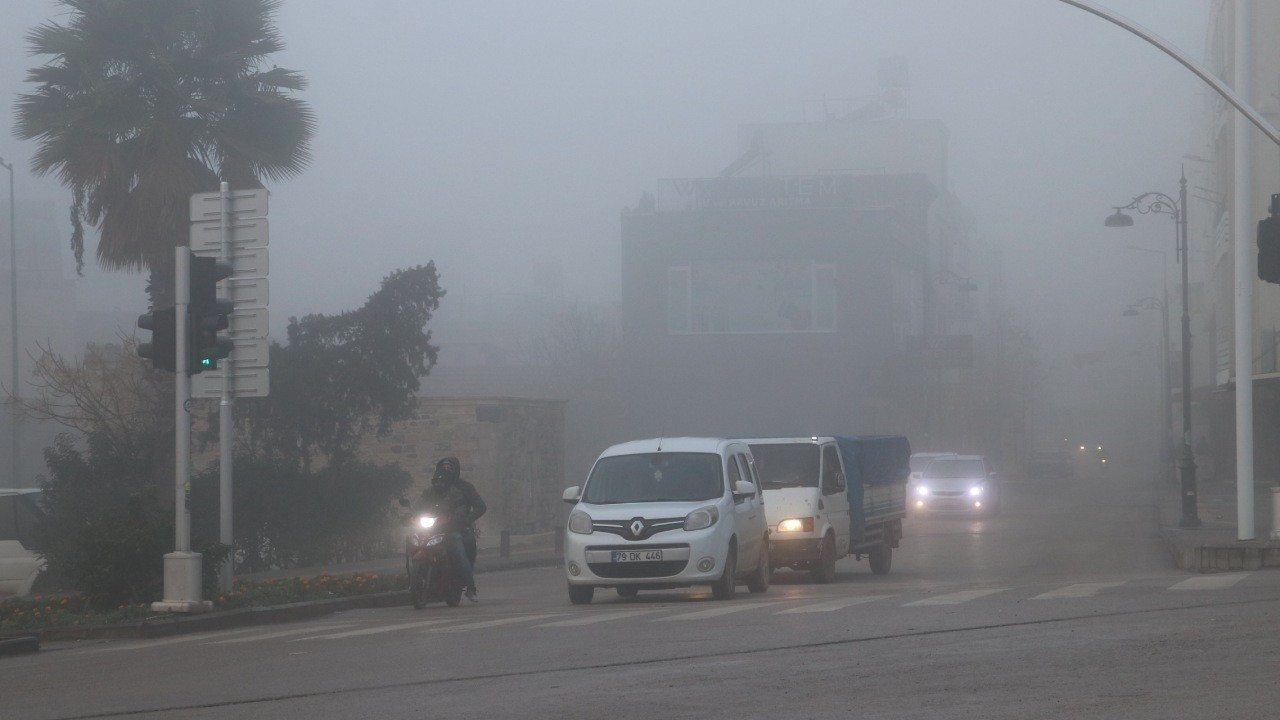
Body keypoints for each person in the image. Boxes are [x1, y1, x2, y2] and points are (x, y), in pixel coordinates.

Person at [417, 456, 486, 602]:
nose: (446, 471)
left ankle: (469, 586)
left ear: (456, 470)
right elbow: (420, 504)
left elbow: (479, 507)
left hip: (456, 528)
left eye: (449, 468)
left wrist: (464, 520)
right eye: (443, 468)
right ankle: (416, 581)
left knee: (459, 548)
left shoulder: (464, 488)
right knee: (413, 540)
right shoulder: (433, 489)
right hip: (433, 528)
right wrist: (410, 516)